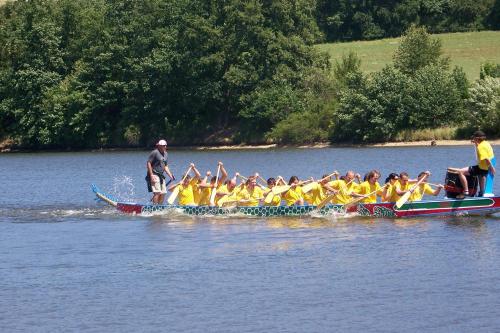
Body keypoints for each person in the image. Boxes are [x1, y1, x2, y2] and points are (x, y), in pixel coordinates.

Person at [448, 130, 496, 198]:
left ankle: (466, 191)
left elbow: (486, 159)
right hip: (484, 168)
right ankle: (481, 193)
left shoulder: (481, 147)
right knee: (480, 175)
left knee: (460, 172)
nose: (473, 139)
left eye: (474, 138)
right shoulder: (486, 143)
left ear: (476, 138)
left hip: (482, 168)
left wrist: (492, 168)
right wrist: (476, 143)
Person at [146, 139, 174, 204]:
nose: (165, 147)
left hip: (161, 176)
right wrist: (151, 175)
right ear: (159, 146)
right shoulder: (154, 152)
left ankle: (160, 207)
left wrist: (170, 175)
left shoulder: (166, 154)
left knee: (163, 192)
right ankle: (154, 207)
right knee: (157, 192)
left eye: (165, 145)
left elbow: (165, 166)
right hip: (154, 174)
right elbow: (148, 163)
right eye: (164, 146)